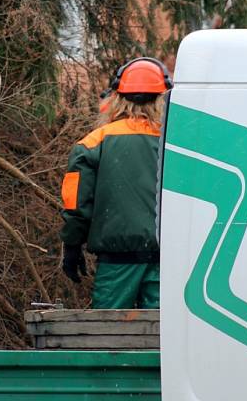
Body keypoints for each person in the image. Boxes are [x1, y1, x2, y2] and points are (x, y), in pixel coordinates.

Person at [59, 57, 172, 309]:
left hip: (115, 264)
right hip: (166, 262)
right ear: (162, 98)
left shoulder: (91, 144)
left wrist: (72, 246)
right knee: (167, 339)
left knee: (107, 335)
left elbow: (76, 204)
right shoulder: (177, 144)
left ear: (116, 97)